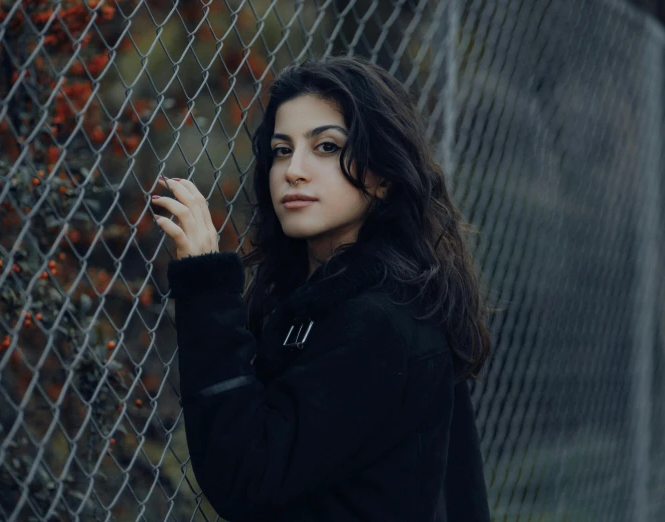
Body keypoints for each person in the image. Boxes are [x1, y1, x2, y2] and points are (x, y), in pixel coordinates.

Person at [151, 54, 492, 521]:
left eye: (327, 147)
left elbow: (247, 477)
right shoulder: (319, 301)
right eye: (282, 149)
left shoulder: (381, 321)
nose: (294, 170)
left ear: (384, 174)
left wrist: (207, 284)